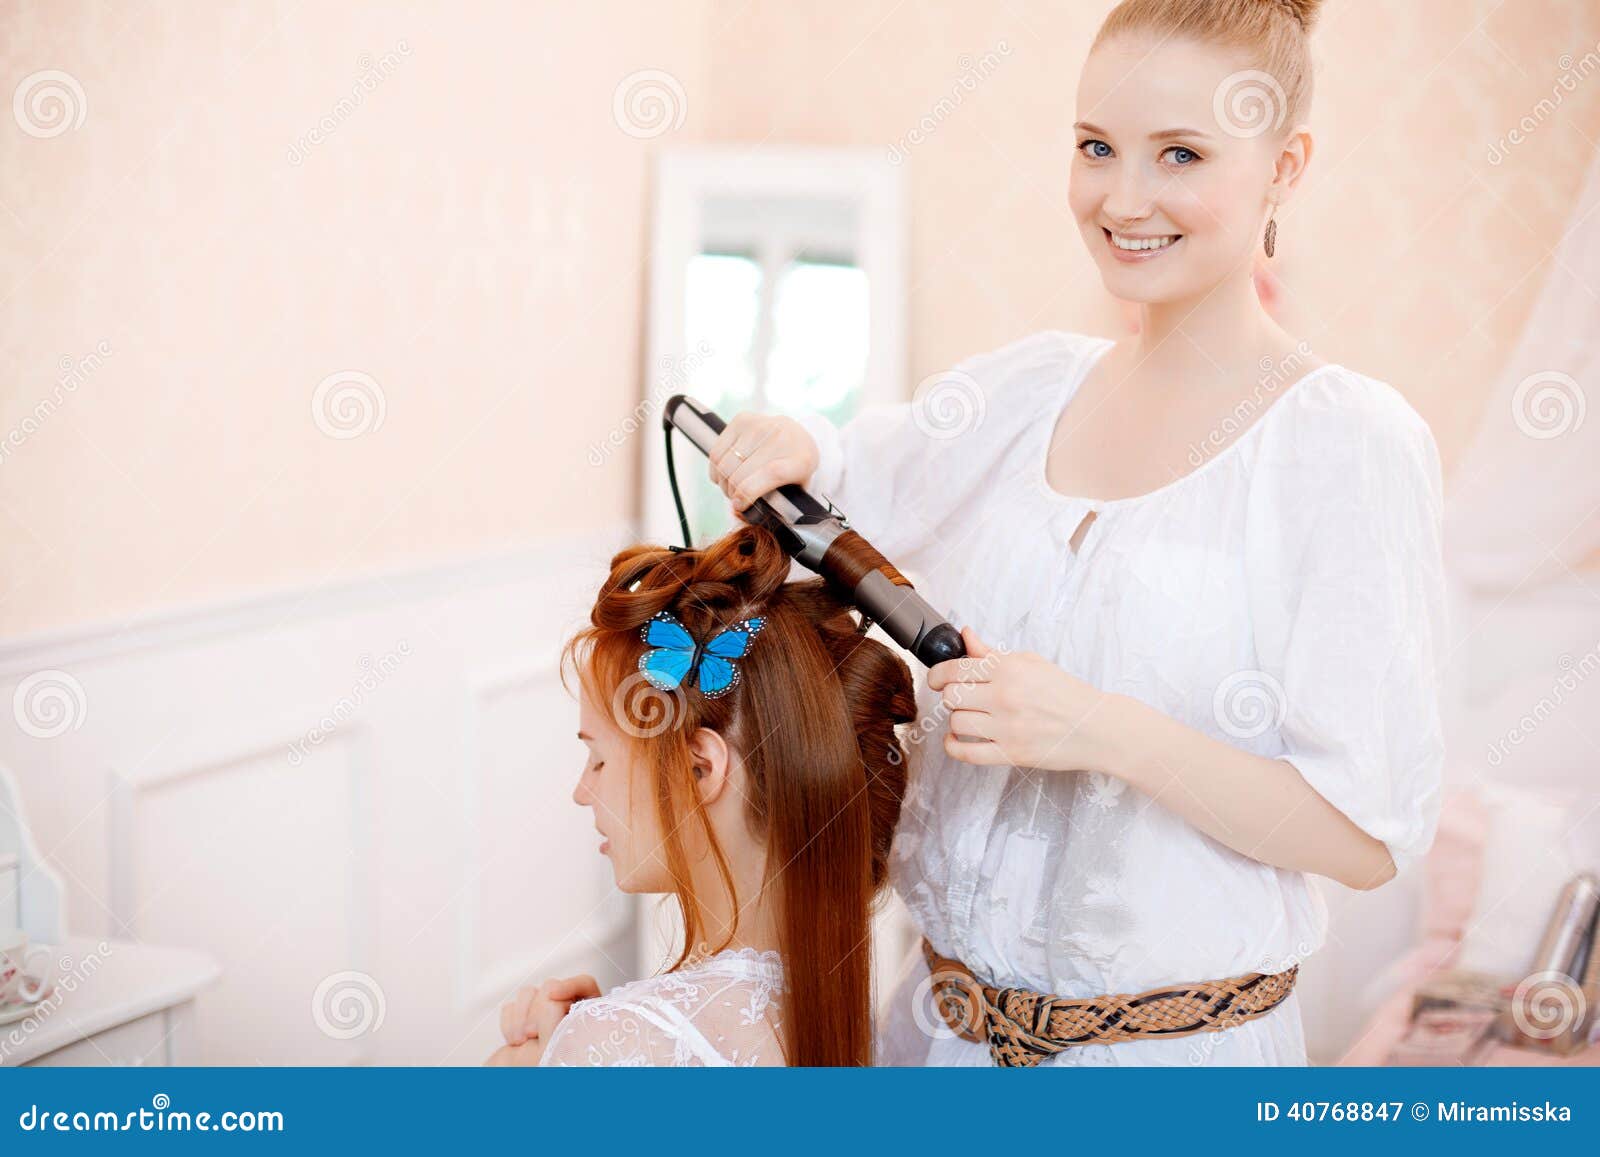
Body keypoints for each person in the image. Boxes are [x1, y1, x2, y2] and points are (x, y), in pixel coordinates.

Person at [705, 0, 1446, 1066]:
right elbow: (846, 470)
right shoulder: (1022, 394)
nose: (1121, 198)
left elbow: (1363, 835)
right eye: (1095, 147)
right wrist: (784, 440)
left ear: (1285, 166)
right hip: (937, 1041)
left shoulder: (1345, 445)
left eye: (1179, 154)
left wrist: (1101, 728)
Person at [485, 524, 916, 1066]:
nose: (582, 791)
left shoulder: (611, 1045)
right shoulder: (858, 1021)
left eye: (598, 758)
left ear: (698, 768)